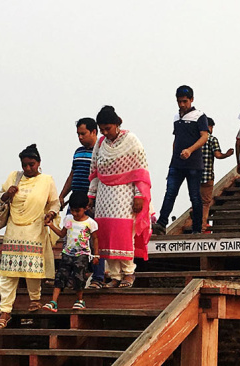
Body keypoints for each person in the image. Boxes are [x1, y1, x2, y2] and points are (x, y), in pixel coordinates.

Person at [0, 144, 60, 329]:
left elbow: (54, 203)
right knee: (8, 271)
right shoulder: (13, 178)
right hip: (14, 228)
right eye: (25, 165)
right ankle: (5, 311)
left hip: (35, 227)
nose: (28, 168)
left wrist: (52, 215)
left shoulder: (47, 180)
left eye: (31, 164)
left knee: (33, 267)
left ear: (39, 163)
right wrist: (7, 194)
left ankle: (35, 298)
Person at [89, 106, 152, 288]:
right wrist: (91, 196)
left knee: (124, 235)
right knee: (106, 236)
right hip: (104, 197)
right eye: (102, 129)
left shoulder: (131, 141)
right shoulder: (100, 144)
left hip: (125, 197)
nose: (105, 133)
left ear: (118, 123)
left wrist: (139, 196)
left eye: (108, 128)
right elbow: (95, 173)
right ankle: (114, 276)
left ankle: (128, 273)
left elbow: (141, 171)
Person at [153, 85, 209, 235]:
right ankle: (161, 223)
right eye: (179, 102)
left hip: (193, 163)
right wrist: (173, 157)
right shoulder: (176, 117)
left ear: (191, 100)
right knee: (170, 193)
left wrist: (190, 150)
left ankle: (197, 228)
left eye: (185, 101)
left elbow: (205, 136)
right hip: (177, 163)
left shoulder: (199, 115)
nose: (182, 104)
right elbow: (176, 139)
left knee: (195, 196)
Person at [59, 117, 105, 288]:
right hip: (74, 201)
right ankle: (70, 277)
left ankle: (97, 277)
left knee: (94, 239)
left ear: (93, 132)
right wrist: (63, 195)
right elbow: (72, 175)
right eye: (78, 134)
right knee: (70, 239)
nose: (80, 137)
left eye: (83, 133)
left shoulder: (101, 150)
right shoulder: (78, 151)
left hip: (93, 202)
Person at [43, 192, 99, 312]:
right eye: (72, 211)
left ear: (86, 208)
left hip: (82, 255)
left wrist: (96, 255)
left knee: (79, 277)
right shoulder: (68, 219)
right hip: (67, 253)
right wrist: (50, 225)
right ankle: (54, 301)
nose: (74, 214)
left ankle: (79, 300)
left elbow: (95, 238)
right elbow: (62, 234)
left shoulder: (90, 223)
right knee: (60, 276)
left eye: (77, 211)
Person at [198, 117, 234, 232]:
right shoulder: (212, 140)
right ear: (209, 127)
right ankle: (203, 224)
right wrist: (227, 155)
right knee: (206, 202)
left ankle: (196, 221)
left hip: (195, 176)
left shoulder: (195, 140)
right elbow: (218, 155)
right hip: (207, 175)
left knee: (196, 200)